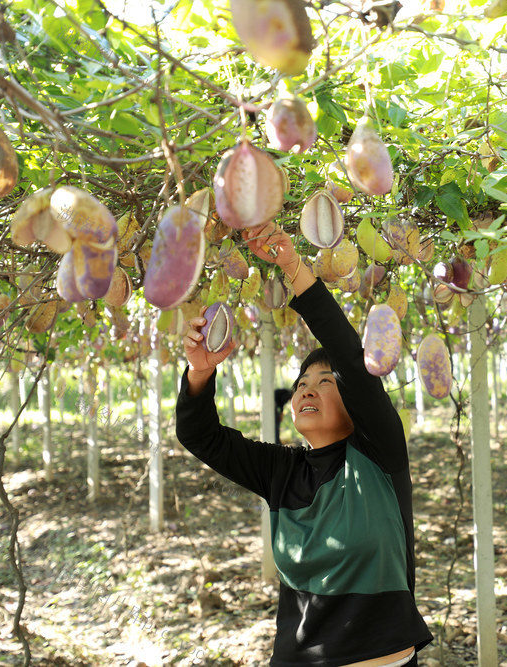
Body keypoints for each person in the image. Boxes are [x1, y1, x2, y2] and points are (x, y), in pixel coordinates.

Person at [175, 225, 432, 666]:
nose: (307, 391)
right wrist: (199, 372)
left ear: (354, 401)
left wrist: (293, 267)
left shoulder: (378, 457)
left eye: (325, 382)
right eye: (301, 384)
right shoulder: (282, 471)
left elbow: (352, 356)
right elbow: (201, 437)